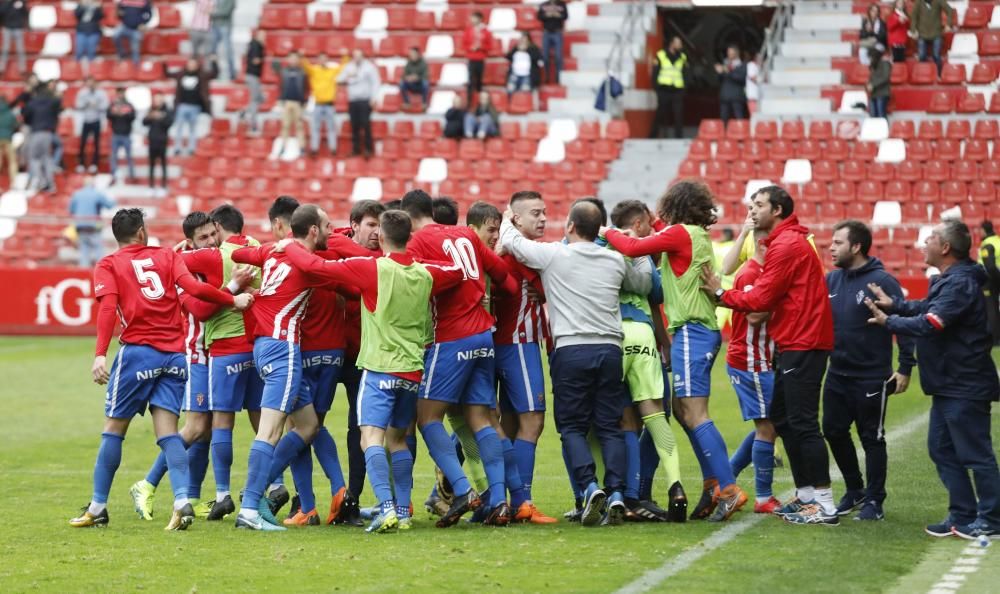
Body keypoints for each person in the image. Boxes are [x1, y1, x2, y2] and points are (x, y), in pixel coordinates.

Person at [277, 210, 469, 533]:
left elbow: (316, 266)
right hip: (411, 372)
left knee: (370, 439)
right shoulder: (424, 275)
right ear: (409, 238)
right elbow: (456, 272)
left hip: (380, 370)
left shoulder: (372, 268)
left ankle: (387, 508)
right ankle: (404, 511)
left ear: (380, 238)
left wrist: (288, 245)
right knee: (398, 440)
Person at [68, 208, 251, 529]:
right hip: (175, 357)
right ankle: (181, 500)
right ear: (142, 231)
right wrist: (231, 298)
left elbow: (109, 307)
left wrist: (100, 354)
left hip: (138, 353)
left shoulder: (109, 264)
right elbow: (195, 291)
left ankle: (97, 507)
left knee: (114, 429)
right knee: (168, 432)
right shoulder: (167, 256)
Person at [604, 181, 745, 523]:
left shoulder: (680, 233)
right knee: (684, 412)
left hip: (692, 331)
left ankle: (728, 489)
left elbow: (633, 246)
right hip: (698, 330)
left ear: (675, 205)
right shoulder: (695, 235)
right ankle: (714, 484)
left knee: (694, 413)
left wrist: (605, 231)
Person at [500, 199, 647, 526]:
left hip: (572, 349)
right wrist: (623, 240)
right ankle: (618, 492)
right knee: (610, 426)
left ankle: (589, 486)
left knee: (571, 427)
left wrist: (509, 218)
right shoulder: (614, 261)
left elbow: (512, 241)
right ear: (599, 230)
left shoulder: (555, 254)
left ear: (569, 227)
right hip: (610, 349)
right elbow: (643, 280)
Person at [128, 204, 274, 523]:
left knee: (207, 430)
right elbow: (200, 311)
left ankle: (196, 497)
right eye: (203, 238)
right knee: (197, 427)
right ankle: (147, 484)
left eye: (213, 234)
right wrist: (233, 289)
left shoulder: (217, 261)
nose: (211, 241)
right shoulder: (182, 273)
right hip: (197, 355)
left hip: (219, 352)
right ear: (191, 242)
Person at [701, 185, 837, 526]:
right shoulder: (787, 242)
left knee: (802, 423)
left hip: (802, 342)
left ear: (777, 210)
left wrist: (719, 293)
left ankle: (825, 504)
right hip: (793, 342)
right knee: (784, 419)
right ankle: (806, 496)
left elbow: (761, 300)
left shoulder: (788, 245)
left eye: (759, 204)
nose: (752, 210)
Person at [865, 220, 1000, 540]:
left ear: (945, 248)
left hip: (964, 382)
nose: (922, 244)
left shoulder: (960, 283)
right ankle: (963, 513)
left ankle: (993, 519)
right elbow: (927, 307)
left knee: (975, 453)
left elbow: (932, 322)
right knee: (941, 448)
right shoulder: (953, 279)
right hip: (949, 382)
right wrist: (896, 304)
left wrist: (890, 321)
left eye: (930, 239)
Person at [401, 190, 519, 527]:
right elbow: (506, 281)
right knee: (481, 419)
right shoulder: (466, 234)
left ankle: (463, 490)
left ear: (409, 218)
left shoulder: (419, 242)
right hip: (484, 335)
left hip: (451, 337)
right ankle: (499, 501)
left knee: (427, 418)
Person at [227, 205, 338, 531]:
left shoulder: (272, 254)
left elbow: (240, 256)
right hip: (283, 349)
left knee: (307, 426)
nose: (331, 232)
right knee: (271, 431)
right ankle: (249, 508)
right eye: (327, 227)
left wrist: (270, 249)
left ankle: (255, 492)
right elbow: (331, 271)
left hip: (264, 346)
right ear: (313, 231)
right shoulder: (307, 263)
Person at [824, 220, 916, 522]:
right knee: (833, 430)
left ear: (856, 246)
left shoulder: (881, 281)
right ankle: (855, 489)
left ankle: (875, 500)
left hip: (871, 375)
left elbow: (902, 324)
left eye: (838, 242)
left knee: (871, 437)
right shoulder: (832, 280)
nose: (831, 247)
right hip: (837, 372)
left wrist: (904, 367)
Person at [606, 200, 687, 522]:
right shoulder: (640, 256)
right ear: (636, 224)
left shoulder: (599, 250)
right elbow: (657, 294)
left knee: (624, 421)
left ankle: (627, 496)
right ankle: (676, 485)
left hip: (611, 334)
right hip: (641, 333)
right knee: (655, 416)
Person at [721, 228, 780, 514]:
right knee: (766, 427)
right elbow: (755, 315)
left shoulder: (763, 272)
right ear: (761, 243)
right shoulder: (750, 274)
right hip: (750, 359)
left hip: (761, 358)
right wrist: (783, 297)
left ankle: (726, 478)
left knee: (770, 424)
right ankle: (763, 498)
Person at [336, 200, 386, 525]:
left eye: (381, 226)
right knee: (307, 426)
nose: (377, 232)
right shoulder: (331, 244)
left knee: (360, 428)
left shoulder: (382, 261)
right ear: (354, 224)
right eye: (370, 225)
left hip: (360, 358)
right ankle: (306, 499)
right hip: (324, 350)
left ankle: (351, 499)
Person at [165, 58, 217, 156]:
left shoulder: (202, 75)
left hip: (195, 107)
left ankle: (191, 148)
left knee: (192, 129)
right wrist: (164, 63)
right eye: (190, 64)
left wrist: (214, 62)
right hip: (182, 106)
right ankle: (177, 148)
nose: (191, 66)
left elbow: (214, 74)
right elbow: (168, 74)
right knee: (179, 128)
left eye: (194, 64)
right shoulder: (181, 74)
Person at [303, 52, 348, 157]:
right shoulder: (314, 70)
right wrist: (302, 56)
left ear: (327, 60)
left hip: (329, 104)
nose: (323, 61)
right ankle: (314, 148)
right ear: (318, 60)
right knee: (315, 127)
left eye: (325, 59)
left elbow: (342, 67)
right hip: (318, 104)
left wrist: (345, 56)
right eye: (321, 59)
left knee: (331, 127)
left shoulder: (332, 71)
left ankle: (333, 148)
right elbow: (305, 66)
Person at [337, 49, 380, 158]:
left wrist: (373, 98)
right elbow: (338, 79)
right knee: (354, 125)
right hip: (353, 100)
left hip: (365, 100)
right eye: (355, 56)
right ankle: (356, 149)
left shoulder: (369, 67)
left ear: (363, 56)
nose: (356, 58)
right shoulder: (349, 67)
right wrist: (348, 76)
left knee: (365, 124)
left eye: (359, 55)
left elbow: (375, 82)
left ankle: (368, 149)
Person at [22, 84, 61, 193]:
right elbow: (59, 106)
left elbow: (24, 115)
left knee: (34, 158)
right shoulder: (51, 101)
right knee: (47, 159)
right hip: (48, 133)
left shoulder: (32, 103)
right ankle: (51, 185)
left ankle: (42, 182)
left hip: (36, 132)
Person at [68, 177, 114, 268]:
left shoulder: (76, 194)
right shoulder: (97, 194)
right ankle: (102, 271)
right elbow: (110, 205)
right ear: (93, 184)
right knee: (98, 251)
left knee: (84, 252)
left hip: (80, 226)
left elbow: (71, 210)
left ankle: (83, 273)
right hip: (93, 227)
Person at [650, 36, 687, 139]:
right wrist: (657, 88)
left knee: (678, 115)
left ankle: (679, 137)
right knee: (660, 114)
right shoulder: (661, 55)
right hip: (663, 90)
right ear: (671, 44)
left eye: (680, 43)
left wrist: (684, 88)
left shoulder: (683, 57)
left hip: (677, 90)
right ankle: (652, 136)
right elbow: (655, 73)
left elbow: (685, 74)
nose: (680, 45)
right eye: (678, 43)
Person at [272, 52, 307, 158]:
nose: (293, 60)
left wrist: (305, 101)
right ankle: (283, 147)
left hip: (298, 103)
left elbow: (306, 87)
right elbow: (278, 82)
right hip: (286, 102)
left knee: (299, 126)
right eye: (291, 58)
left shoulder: (302, 72)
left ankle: (302, 148)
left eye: (295, 58)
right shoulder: (284, 72)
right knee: (285, 126)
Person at [910, 0, 955, 76]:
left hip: (936, 33)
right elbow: (914, 16)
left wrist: (948, 24)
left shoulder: (938, 1)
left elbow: (949, 10)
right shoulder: (918, 2)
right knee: (921, 56)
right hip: (922, 33)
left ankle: (939, 75)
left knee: (936, 55)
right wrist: (913, 30)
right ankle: (923, 75)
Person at [75, 77, 108, 174]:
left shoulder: (101, 93)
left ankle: (94, 164)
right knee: (82, 143)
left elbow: (105, 106)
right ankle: (81, 164)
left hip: (96, 120)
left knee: (96, 144)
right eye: (88, 83)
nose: (90, 85)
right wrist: (87, 103)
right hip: (86, 120)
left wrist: (96, 105)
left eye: (92, 83)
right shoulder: (82, 93)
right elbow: (78, 105)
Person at [106, 87, 136, 183]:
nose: (120, 95)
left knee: (129, 157)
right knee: (113, 157)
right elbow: (108, 115)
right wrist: (116, 113)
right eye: (119, 93)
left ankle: (132, 176)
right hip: (116, 134)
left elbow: (133, 116)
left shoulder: (129, 105)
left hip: (126, 134)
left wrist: (123, 114)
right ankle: (113, 176)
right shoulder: (113, 105)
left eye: (122, 93)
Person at [143, 94, 173, 191]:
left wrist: (160, 117)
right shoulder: (151, 110)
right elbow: (144, 122)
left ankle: (163, 185)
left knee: (163, 163)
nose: (157, 101)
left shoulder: (167, 111)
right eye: (155, 100)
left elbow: (169, 123)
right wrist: (151, 116)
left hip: (162, 140)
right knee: (151, 164)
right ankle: (151, 185)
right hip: (152, 140)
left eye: (158, 99)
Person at [463, 12, 493, 101]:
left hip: (480, 59)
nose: (472, 20)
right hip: (471, 59)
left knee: (479, 82)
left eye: (474, 18)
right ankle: (469, 102)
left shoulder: (486, 32)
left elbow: (489, 46)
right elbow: (464, 44)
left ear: (480, 19)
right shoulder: (468, 31)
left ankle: (480, 103)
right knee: (471, 81)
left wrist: (481, 47)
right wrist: (470, 47)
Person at [537, 0, 568, 84]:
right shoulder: (543, 4)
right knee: (545, 57)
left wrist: (557, 15)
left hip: (557, 32)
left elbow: (565, 16)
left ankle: (559, 78)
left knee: (558, 57)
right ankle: (546, 77)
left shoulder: (562, 4)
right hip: (546, 32)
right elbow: (539, 17)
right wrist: (548, 15)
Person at [979, 221, 1000, 346]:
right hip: (997, 278)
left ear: (983, 230)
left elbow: (990, 267)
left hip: (990, 280)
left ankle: (994, 339)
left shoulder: (987, 244)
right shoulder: (997, 241)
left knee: (990, 308)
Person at [506, 32, 543, 97]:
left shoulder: (533, 48)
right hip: (515, 74)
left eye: (525, 40)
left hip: (527, 76)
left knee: (524, 94)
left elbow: (537, 58)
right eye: (522, 39)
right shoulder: (516, 48)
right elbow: (508, 56)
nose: (523, 41)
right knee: (510, 91)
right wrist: (517, 49)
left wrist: (527, 49)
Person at [715, 45, 746, 123]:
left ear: (736, 54)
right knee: (723, 118)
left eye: (730, 53)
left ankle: (740, 134)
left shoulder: (742, 65)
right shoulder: (725, 64)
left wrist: (728, 71)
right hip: (725, 96)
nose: (728, 54)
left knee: (739, 117)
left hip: (736, 96)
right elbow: (720, 80)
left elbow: (741, 79)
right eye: (728, 53)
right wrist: (720, 72)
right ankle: (724, 134)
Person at [114, 0, 152, 65]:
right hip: (124, 26)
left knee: (135, 49)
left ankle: (136, 67)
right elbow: (119, 11)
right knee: (115, 35)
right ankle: (122, 53)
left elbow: (149, 14)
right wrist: (119, 14)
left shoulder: (144, 1)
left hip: (136, 29)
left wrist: (144, 23)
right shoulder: (123, 1)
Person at [243, 30, 265, 134]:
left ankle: (243, 112)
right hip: (253, 75)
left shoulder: (253, 45)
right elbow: (255, 60)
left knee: (260, 98)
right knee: (255, 100)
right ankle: (253, 124)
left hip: (252, 75)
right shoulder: (257, 46)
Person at [74, 0, 104, 73]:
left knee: (91, 52)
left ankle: (91, 72)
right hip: (81, 30)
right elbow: (76, 14)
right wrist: (82, 6)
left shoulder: (96, 6)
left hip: (93, 31)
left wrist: (99, 8)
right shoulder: (81, 5)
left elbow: (100, 16)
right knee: (79, 51)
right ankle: (77, 71)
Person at [0, 0, 28, 75]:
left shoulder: (21, 2)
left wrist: (21, 4)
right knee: (5, 49)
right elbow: (1, 12)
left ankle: (22, 69)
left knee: (20, 50)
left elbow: (25, 13)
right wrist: (9, 3)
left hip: (18, 28)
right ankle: (1, 68)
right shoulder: (5, 3)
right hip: (7, 28)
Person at [211, 0, 236, 80]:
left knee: (228, 50)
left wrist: (212, 13)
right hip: (214, 26)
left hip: (225, 26)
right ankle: (214, 72)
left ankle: (231, 73)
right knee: (212, 51)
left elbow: (225, 12)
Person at [867, 48, 891, 118]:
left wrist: (873, 85)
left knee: (881, 115)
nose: (869, 60)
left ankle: (884, 129)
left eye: (870, 58)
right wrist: (868, 85)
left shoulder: (885, 64)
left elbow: (885, 77)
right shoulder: (873, 66)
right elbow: (870, 79)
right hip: (873, 94)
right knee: (873, 115)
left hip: (882, 93)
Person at [0, 96, 16, 185]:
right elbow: (16, 125)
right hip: (7, 138)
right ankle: (13, 183)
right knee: (12, 161)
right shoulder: (10, 113)